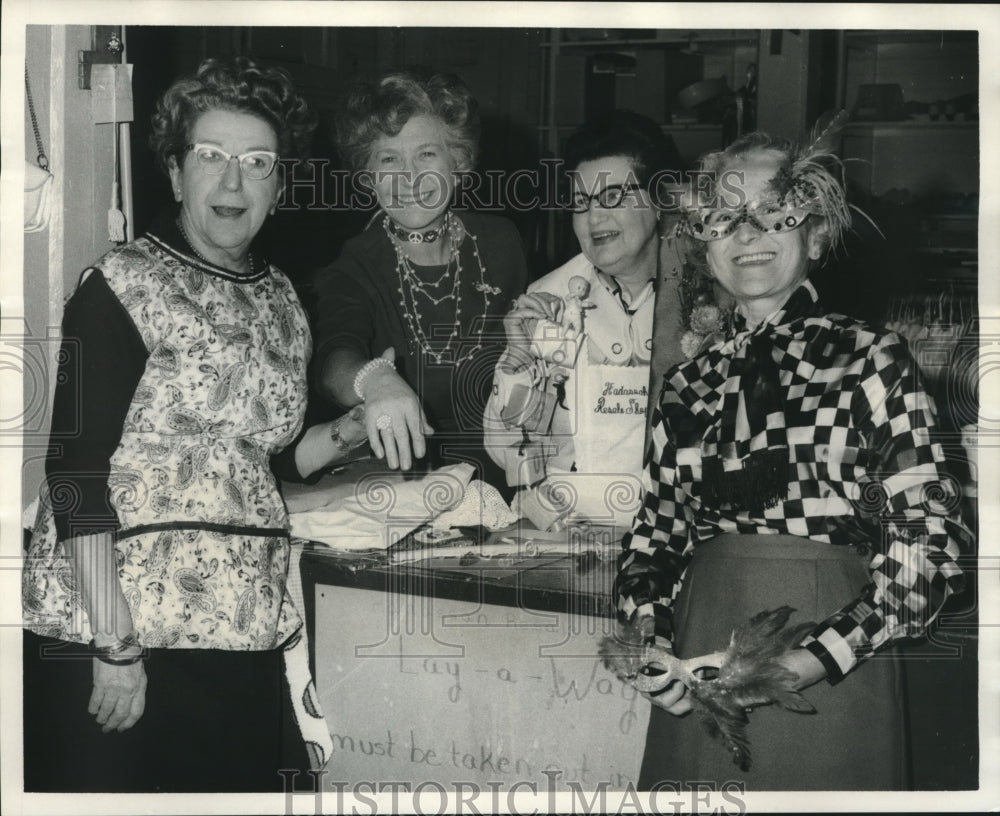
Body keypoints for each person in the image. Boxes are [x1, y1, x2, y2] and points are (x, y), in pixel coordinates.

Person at [21, 57, 363, 793]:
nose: (233, 182)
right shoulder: (121, 286)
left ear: (279, 184)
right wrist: (116, 646)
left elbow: (256, 465)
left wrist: (354, 428)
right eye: (211, 157)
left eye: (257, 162)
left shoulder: (280, 300)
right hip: (123, 637)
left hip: (243, 628)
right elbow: (74, 474)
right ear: (176, 175)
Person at [614, 130, 973, 790]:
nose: (746, 232)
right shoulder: (689, 385)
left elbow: (934, 545)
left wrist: (809, 660)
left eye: (773, 211)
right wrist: (650, 644)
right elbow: (654, 540)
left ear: (814, 231)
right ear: (704, 240)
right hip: (699, 660)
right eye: (723, 216)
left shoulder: (870, 358)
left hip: (830, 672)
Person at [313, 70, 527, 484]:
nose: (409, 178)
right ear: (368, 175)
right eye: (389, 159)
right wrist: (373, 380)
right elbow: (333, 358)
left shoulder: (502, 242)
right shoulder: (354, 265)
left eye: (426, 154)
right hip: (406, 481)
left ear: (458, 161)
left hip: (510, 470)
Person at [483, 111, 690, 529]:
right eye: (581, 203)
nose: (594, 218)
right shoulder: (552, 298)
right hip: (566, 531)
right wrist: (518, 364)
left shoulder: (701, 297)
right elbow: (502, 446)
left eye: (613, 197)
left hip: (676, 533)